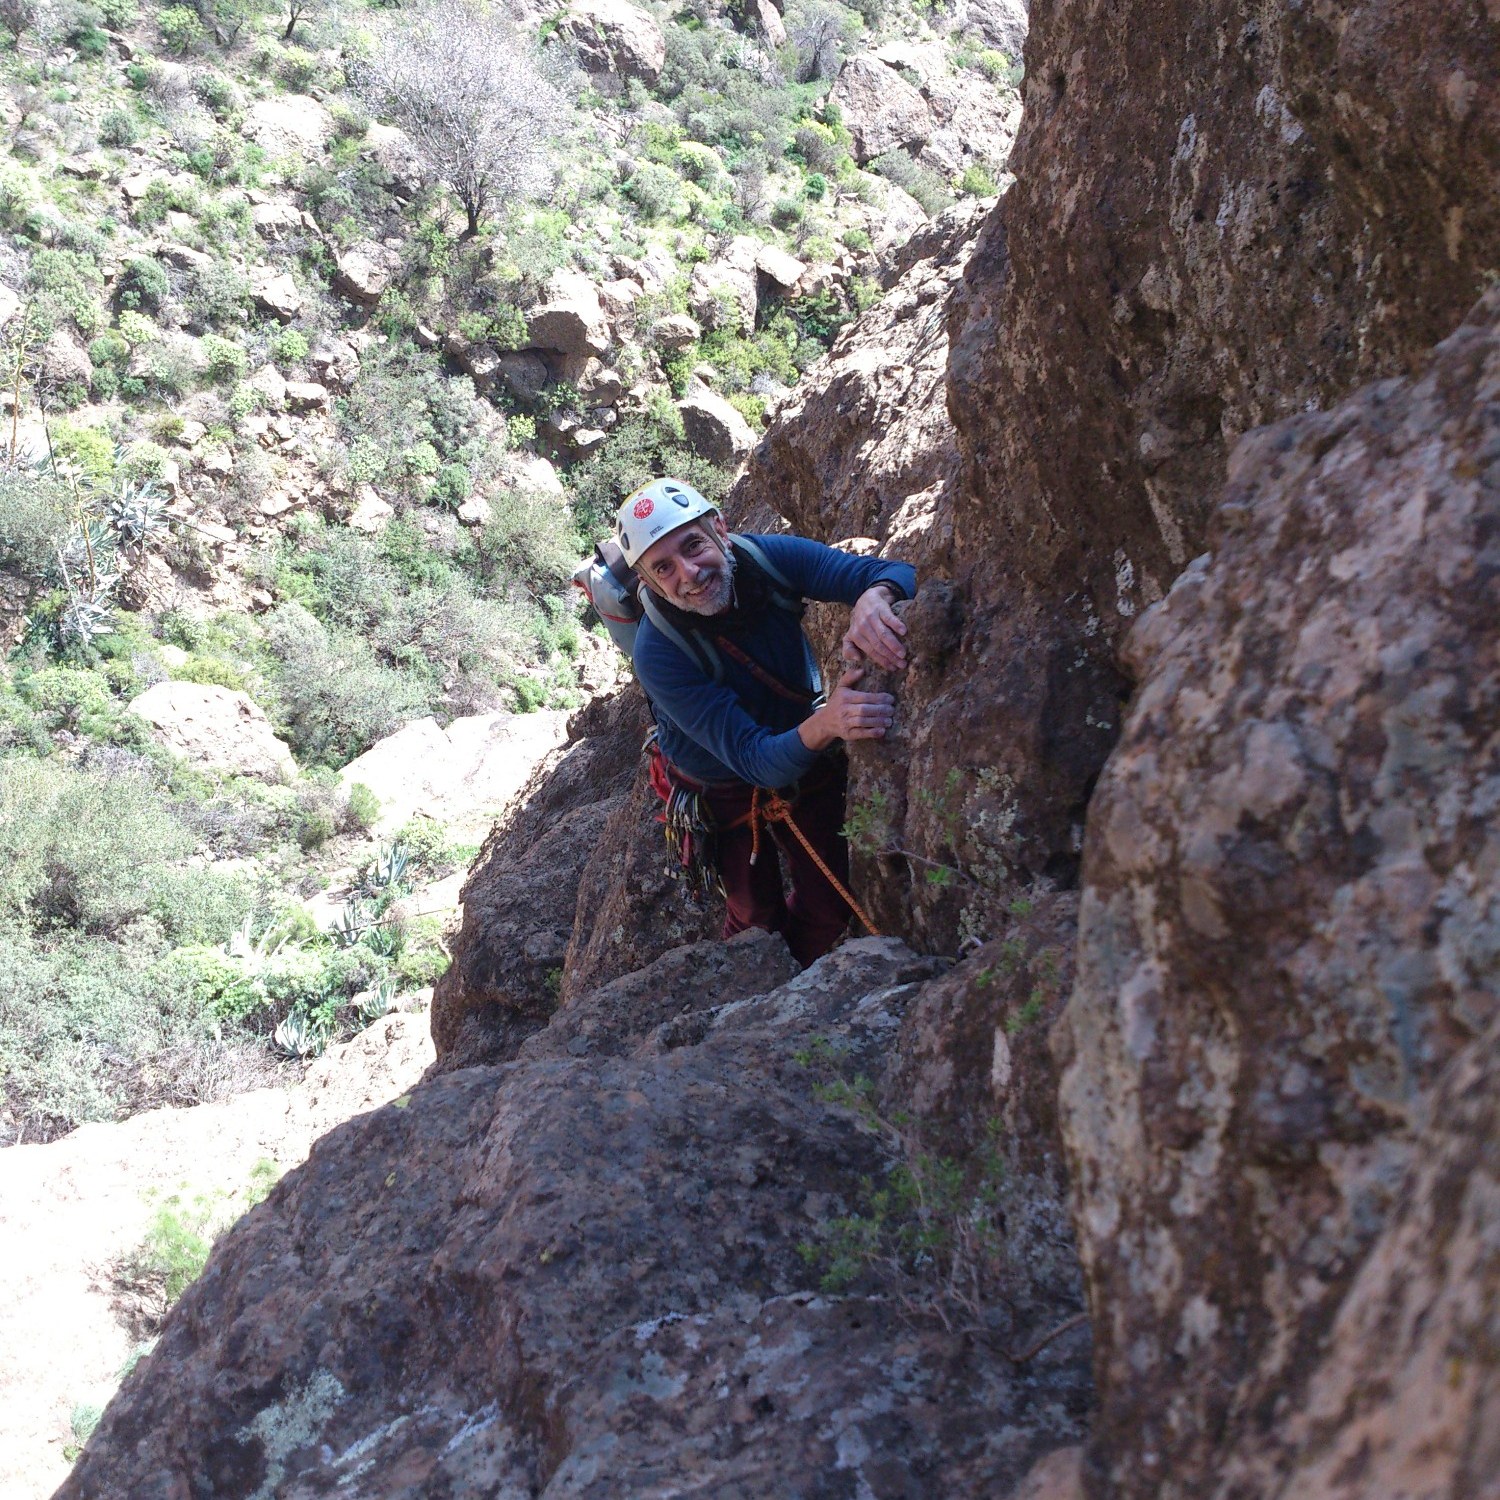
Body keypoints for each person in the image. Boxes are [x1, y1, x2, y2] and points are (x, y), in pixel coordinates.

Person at [617, 476, 916, 967]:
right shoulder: (658, 652)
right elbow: (754, 760)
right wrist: (828, 724)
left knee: (831, 903)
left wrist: (874, 596)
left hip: (800, 749)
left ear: (720, 529)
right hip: (720, 786)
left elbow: (894, 572)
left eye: (693, 545)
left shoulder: (769, 560)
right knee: (755, 919)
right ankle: (755, 985)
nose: (690, 574)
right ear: (648, 583)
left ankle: (795, 985)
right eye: (664, 568)